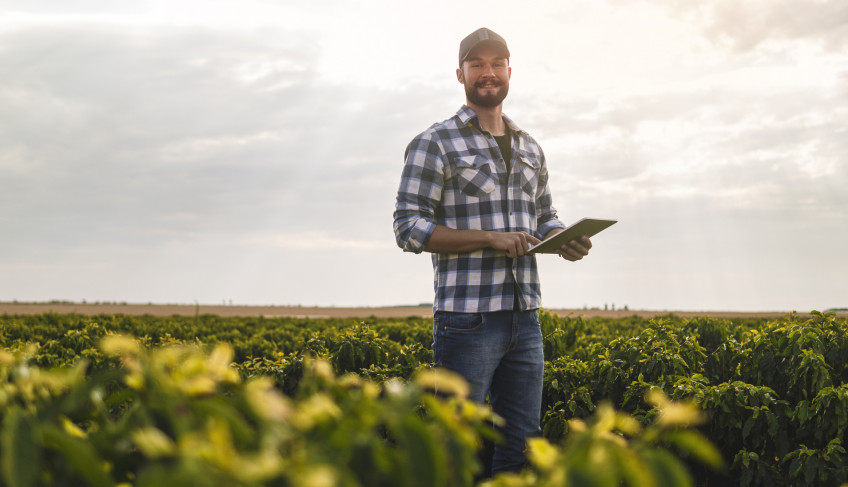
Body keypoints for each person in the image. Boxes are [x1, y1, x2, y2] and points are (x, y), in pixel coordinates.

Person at [392, 27, 592, 475]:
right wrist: (488, 237)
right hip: (467, 320)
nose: (488, 73)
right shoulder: (435, 143)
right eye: (477, 64)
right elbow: (408, 227)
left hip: (526, 317)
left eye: (496, 64)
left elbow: (543, 214)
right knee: (456, 447)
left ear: (509, 72)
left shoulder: (529, 147)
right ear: (459, 74)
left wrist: (564, 238)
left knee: (522, 447)